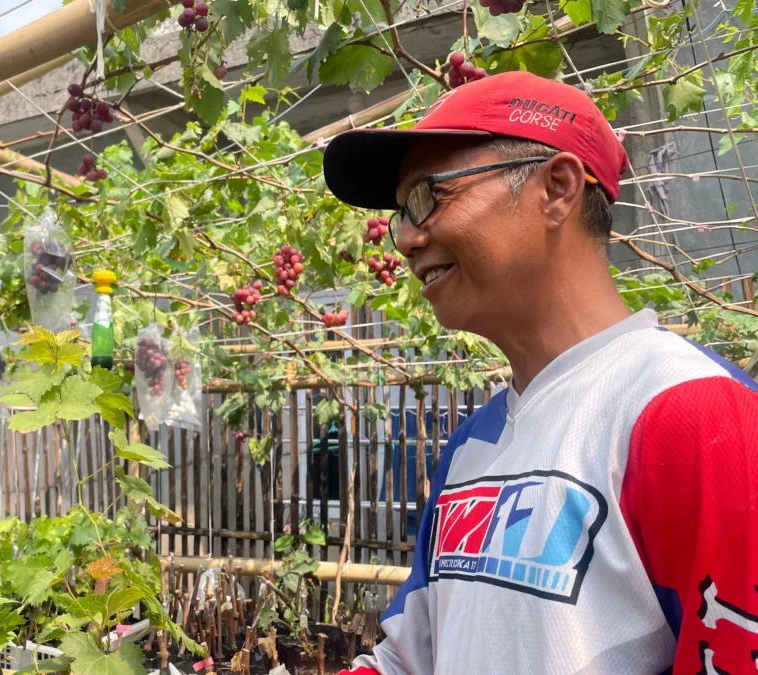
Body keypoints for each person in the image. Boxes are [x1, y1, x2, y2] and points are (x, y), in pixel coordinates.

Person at [323, 71, 758, 674]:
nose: (405, 239)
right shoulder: (473, 445)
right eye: (400, 214)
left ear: (556, 188)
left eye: (426, 197)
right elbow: (410, 659)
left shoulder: (693, 413)